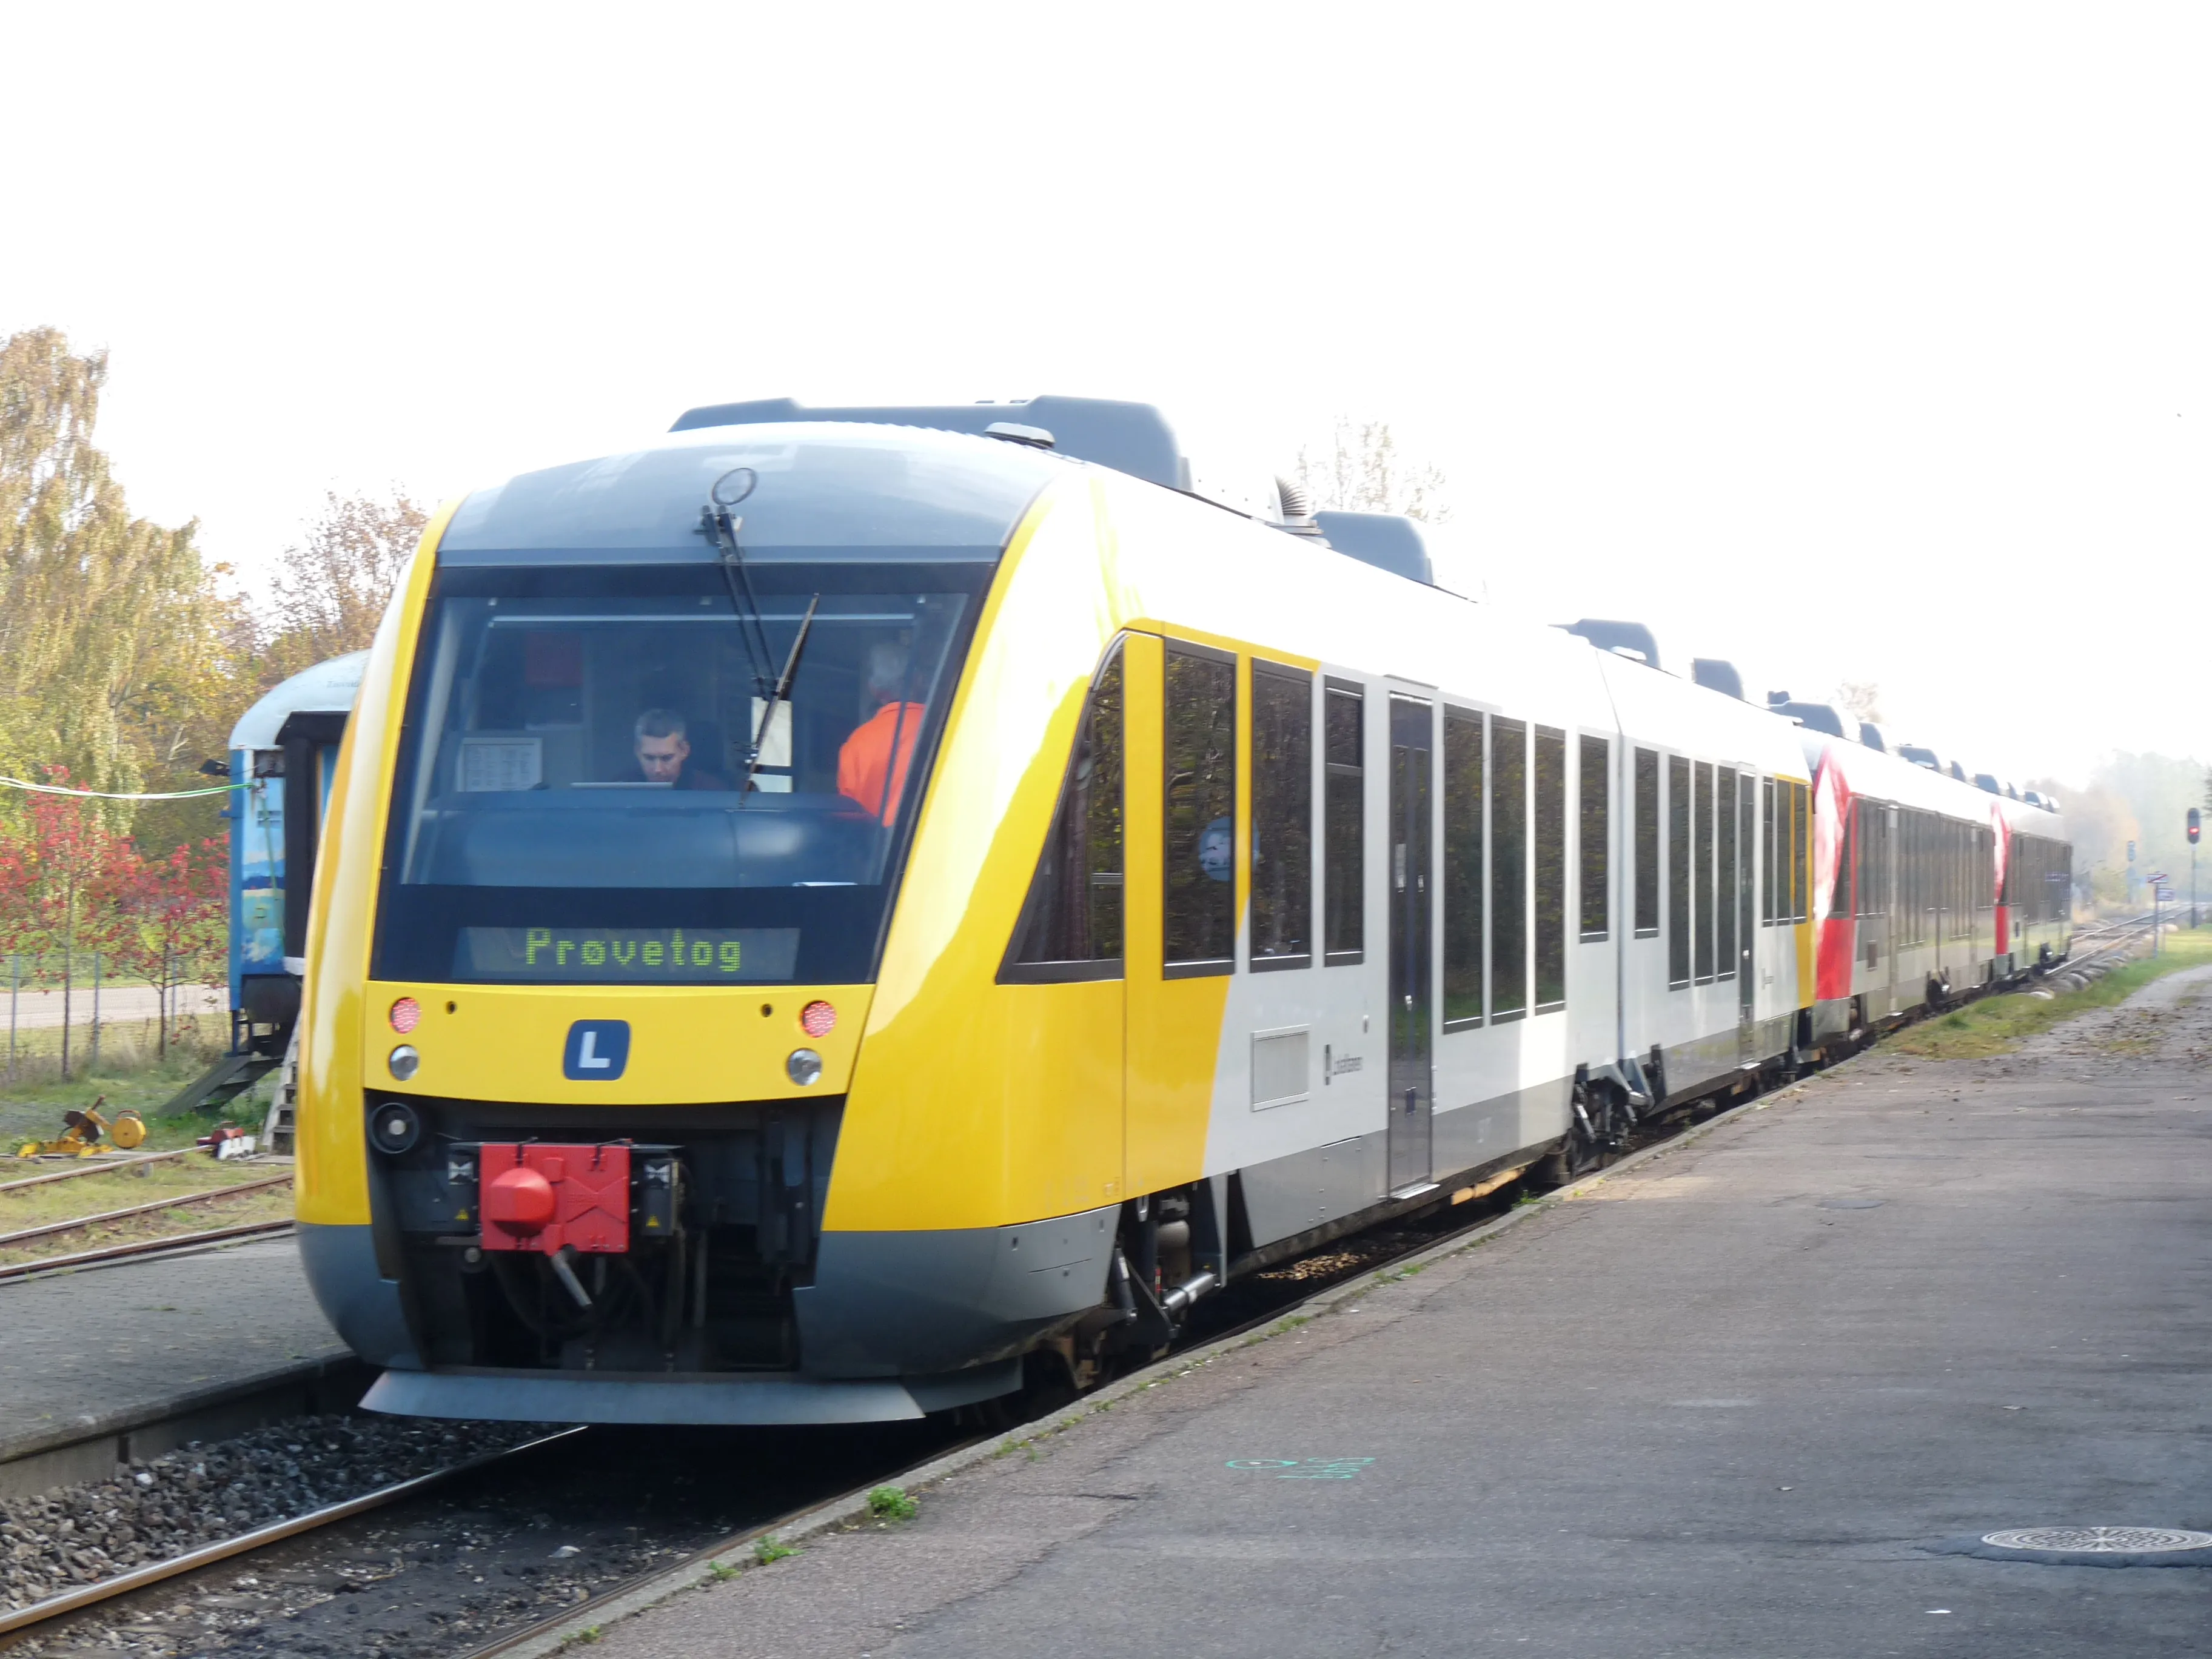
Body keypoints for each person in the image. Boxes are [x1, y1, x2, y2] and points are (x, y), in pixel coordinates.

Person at [838, 645, 925, 823]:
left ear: (874, 690)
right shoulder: (945, 724)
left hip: (880, 848)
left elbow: (848, 814)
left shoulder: (857, 743)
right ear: (919, 680)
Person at [634, 709, 728, 790]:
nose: (657, 769)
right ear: (637, 751)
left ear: (684, 751)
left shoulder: (709, 790)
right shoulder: (621, 787)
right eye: (649, 758)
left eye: (667, 758)